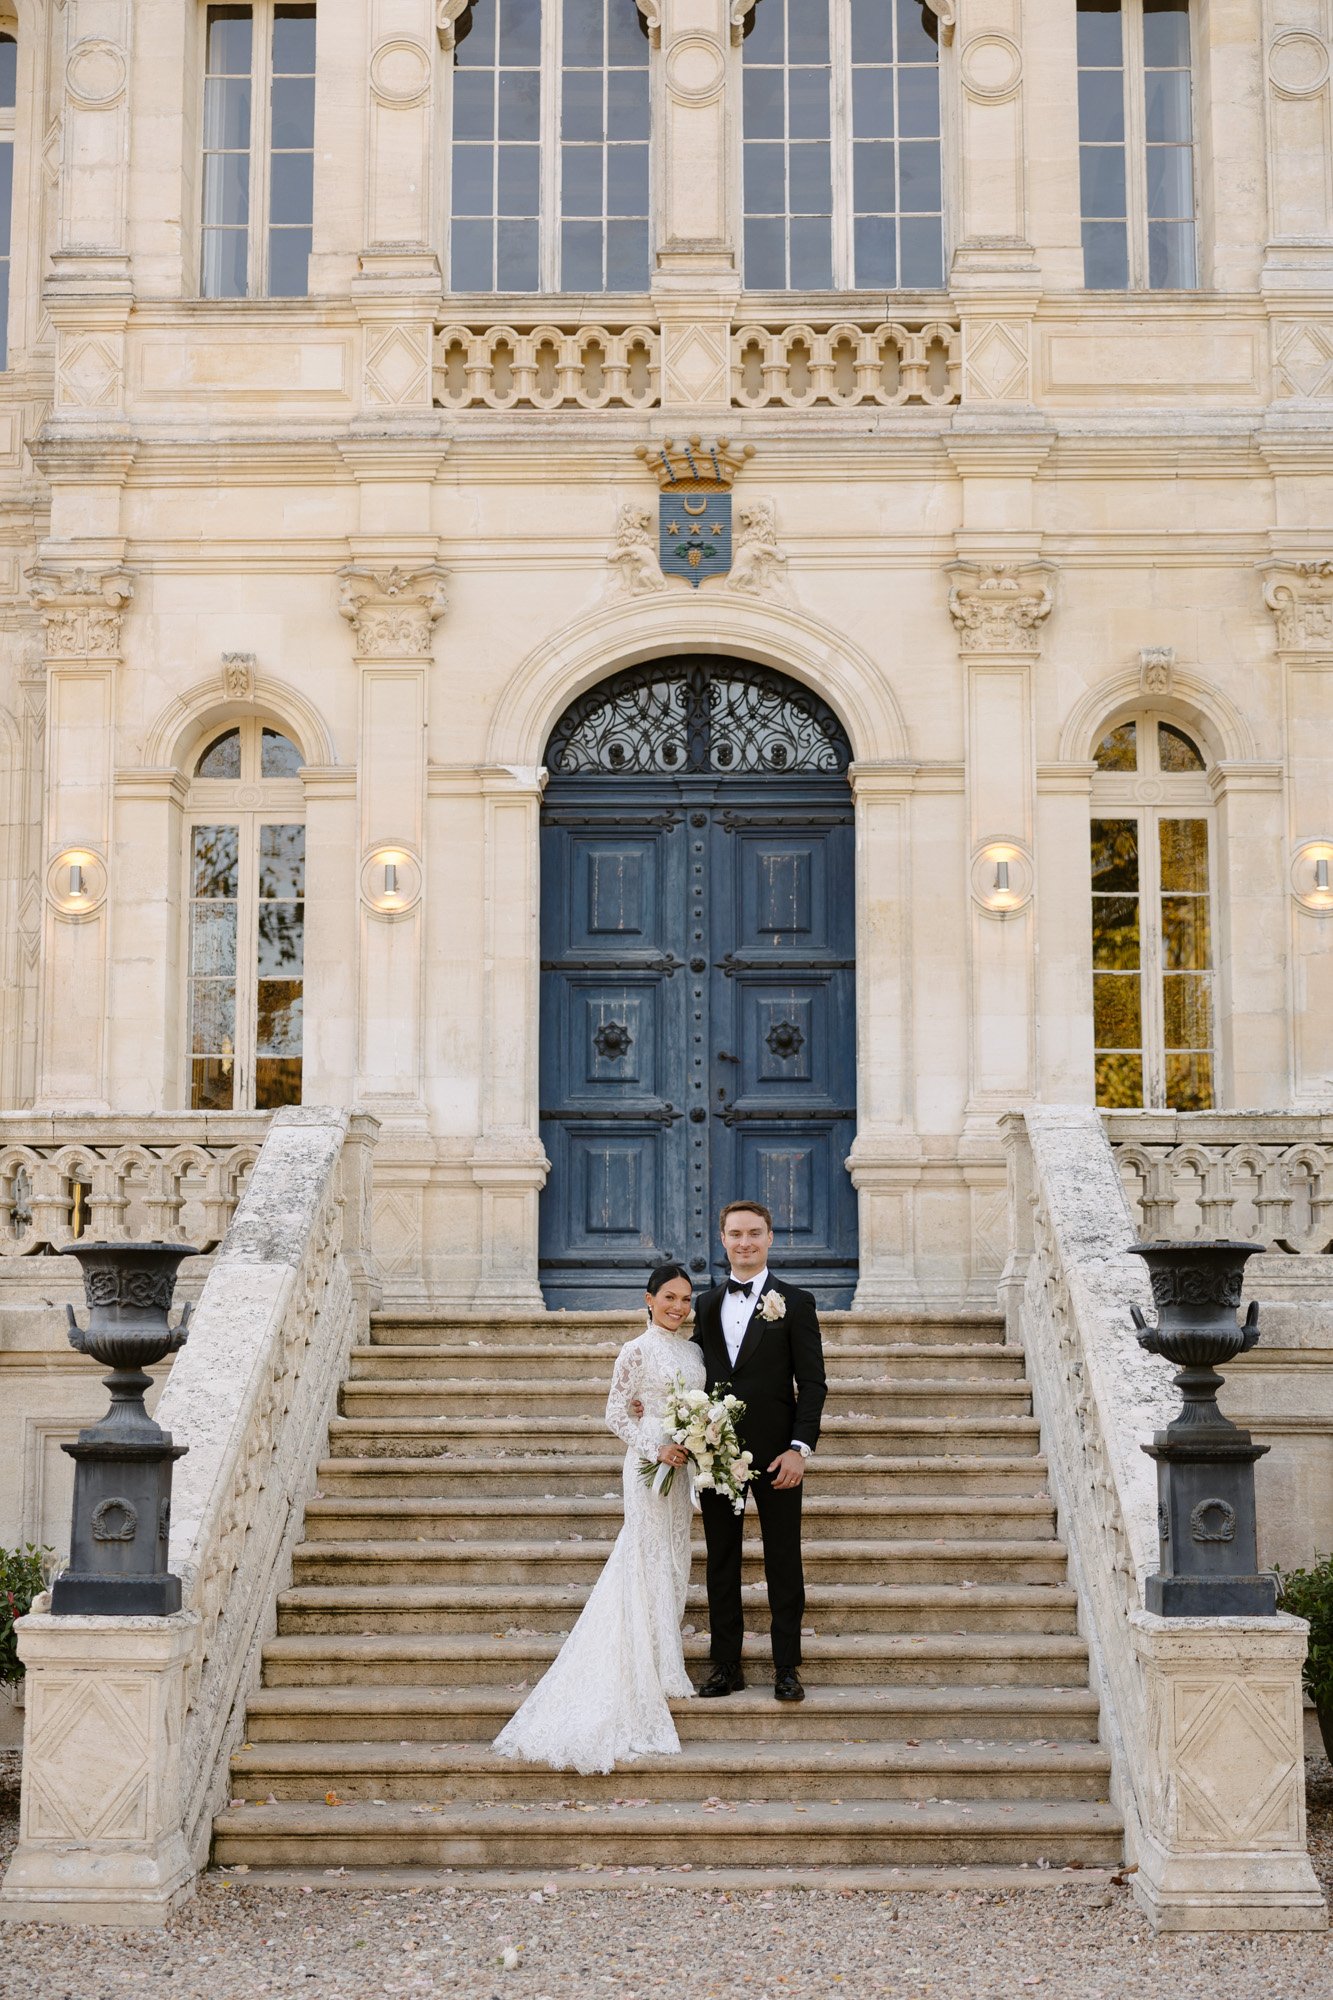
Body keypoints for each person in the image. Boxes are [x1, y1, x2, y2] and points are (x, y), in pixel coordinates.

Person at [492, 1262, 703, 1774]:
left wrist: (699, 1441)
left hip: (684, 1465)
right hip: (649, 1463)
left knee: (676, 1560)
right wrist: (656, 1446)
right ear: (649, 1299)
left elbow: (699, 1407)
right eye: (669, 1297)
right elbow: (614, 1413)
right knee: (646, 1556)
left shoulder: (695, 1352)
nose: (678, 1307)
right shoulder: (635, 1350)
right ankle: (642, 1669)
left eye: (686, 1299)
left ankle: (665, 1662)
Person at [690, 1200, 827, 1704]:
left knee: (783, 1561)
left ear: (770, 1238)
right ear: (721, 1239)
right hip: (717, 1455)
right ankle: (726, 1666)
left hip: (777, 1457)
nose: (744, 1242)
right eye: (734, 1234)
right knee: (721, 1561)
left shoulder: (795, 1300)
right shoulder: (705, 1305)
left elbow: (812, 1383)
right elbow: (690, 1372)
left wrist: (799, 1449)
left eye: (753, 1233)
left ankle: (787, 1668)